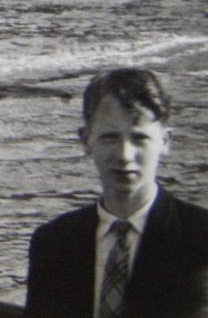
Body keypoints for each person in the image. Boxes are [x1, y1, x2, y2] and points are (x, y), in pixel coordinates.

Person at [25, 68, 208, 317]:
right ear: (85, 140)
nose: (124, 156)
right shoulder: (53, 244)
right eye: (110, 138)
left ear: (165, 141)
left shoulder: (200, 239)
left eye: (139, 138)